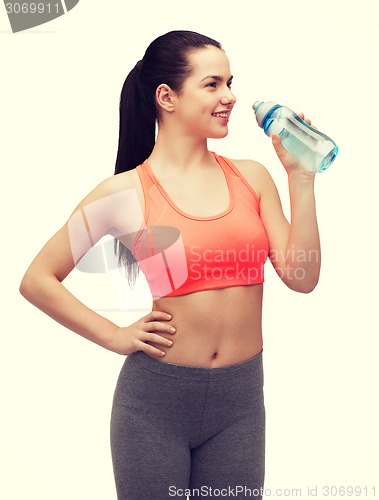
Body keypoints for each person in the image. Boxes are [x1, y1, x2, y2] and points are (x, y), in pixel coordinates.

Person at [19, 30, 321, 500]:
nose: (231, 97)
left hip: (240, 405)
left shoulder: (253, 177)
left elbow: (302, 278)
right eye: (213, 84)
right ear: (167, 97)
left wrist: (301, 176)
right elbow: (37, 279)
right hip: (155, 405)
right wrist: (116, 335)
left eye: (230, 82)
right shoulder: (124, 193)